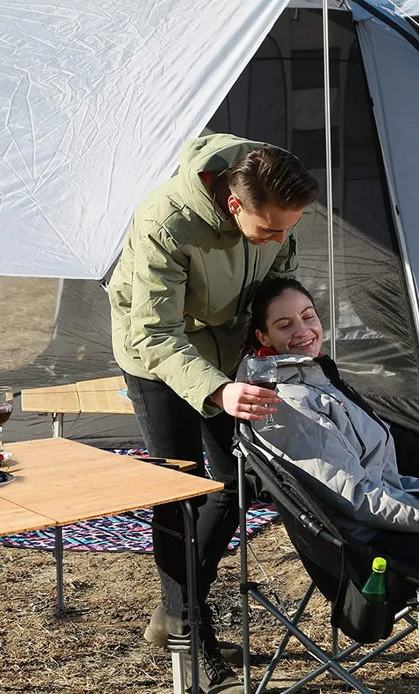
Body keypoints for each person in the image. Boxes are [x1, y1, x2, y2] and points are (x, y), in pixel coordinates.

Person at [108, 133, 319, 692]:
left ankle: (178, 608)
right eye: (271, 229)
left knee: (240, 480)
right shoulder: (166, 223)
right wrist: (218, 390)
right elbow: (153, 332)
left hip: (230, 350)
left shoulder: (267, 190)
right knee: (179, 488)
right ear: (233, 206)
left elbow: (276, 279)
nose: (281, 237)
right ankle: (188, 640)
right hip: (157, 357)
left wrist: (290, 329)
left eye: (288, 227)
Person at [239, 276, 419, 694]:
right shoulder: (288, 402)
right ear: (262, 336)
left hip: (397, 520)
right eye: (285, 324)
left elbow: (385, 478)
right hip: (375, 546)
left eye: (308, 316)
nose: (303, 330)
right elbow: (362, 501)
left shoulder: (317, 378)